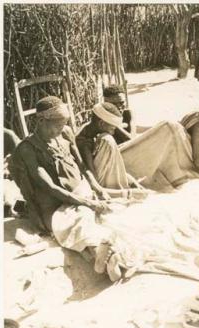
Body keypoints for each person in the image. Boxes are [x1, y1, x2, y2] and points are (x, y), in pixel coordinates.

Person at [8, 96, 139, 281]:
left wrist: (97, 189)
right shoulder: (27, 149)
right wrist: (89, 203)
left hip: (81, 193)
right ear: (40, 121)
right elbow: (49, 186)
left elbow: (82, 166)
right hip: (53, 206)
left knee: (105, 218)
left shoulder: (66, 133)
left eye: (64, 124)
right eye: (57, 125)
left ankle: (107, 261)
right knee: (79, 218)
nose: (62, 128)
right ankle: (104, 256)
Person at [76, 102, 144, 190]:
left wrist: (131, 181)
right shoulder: (84, 142)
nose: (113, 132)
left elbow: (116, 163)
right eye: (112, 129)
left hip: (103, 176)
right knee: (108, 139)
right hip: (96, 182)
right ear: (101, 123)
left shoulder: (92, 129)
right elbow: (92, 175)